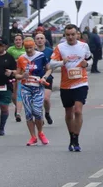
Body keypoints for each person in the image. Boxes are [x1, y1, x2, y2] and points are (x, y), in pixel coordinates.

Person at [50, 24, 93, 152]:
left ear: (77, 34)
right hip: (66, 85)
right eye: (68, 35)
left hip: (81, 82)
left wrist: (87, 64)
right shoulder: (60, 47)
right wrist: (61, 62)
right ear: (65, 35)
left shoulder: (83, 46)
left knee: (78, 111)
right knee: (69, 113)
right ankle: (71, 137)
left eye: (73, 34)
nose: (70, 37)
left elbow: (90, 59)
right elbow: (51, 63)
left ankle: (76, 139)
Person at [16, 36, 51, 146]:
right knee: (29, 113)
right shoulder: (21, 58)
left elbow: (49, 68)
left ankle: (40, 132)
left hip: (38, 87)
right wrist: (22, 75)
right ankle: (33, 137)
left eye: (30, 47)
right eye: (26, 48)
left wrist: (44, 77)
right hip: (26, 87)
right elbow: (17, 74)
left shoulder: (41, 56)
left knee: (37, 112)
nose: (29, 50)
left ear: (34, 46)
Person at [34, 32, 54, 126]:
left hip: (47, 77)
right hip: (34, 78)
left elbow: (54, 64)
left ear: (45, 40)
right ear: (35, 41)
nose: (40, 40)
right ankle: (40, 117)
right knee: (37, 100)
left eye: (41, 38)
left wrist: (49, 71)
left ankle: (47, 113)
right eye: (37, 38)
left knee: (45, 99)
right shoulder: (32, 51)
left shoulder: (50, 51)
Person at [7, 33, 27, 123]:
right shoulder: (11, 49)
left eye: (19, 40)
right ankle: (17, 106)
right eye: (16, 40)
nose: (18, 41)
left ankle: (18, 110)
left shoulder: (25, 49)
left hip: (22, 73)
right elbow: (6, 59)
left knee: (18, 91)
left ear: (22, 41)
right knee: (12, 94)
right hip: (12, 72)